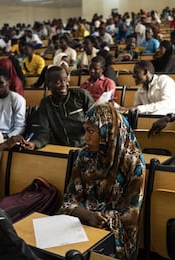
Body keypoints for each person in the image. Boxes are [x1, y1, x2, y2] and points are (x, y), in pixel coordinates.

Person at [59, 103, 146, 260]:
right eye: (85, 130)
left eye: (91, 131)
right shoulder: (84, 156)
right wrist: (87, 215)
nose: (85, 137)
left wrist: (102, 219)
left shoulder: (133, 164)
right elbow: (69, 199)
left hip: (113, 232)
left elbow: (130, 214)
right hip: (79, 223)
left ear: (108, 132)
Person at [24, 66, 94, 150]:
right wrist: (35, 144)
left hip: (85, 146)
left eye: (65, 80)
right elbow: (45, 132)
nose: (64, 85)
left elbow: (95, 122)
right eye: (58, 82)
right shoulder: (46, 104)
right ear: (48, 84)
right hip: (60, 148)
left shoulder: (81, 95)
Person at [0, 69, 26, 138]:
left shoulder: (17, 99)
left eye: (1, 83)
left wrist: (8, 136)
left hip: (7, 135)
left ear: (8, 83)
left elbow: (20, 127)